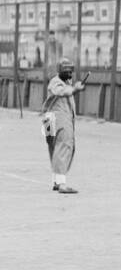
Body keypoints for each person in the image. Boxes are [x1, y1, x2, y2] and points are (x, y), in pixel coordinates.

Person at [42, 59, 85, 194]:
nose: (69, 73)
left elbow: (68, 90)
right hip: (57, 118)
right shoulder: (55, 82)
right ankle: (61, 184)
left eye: (70, 71)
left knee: (55, 150)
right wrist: (75, 89)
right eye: (66, 71)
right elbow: (62, 92)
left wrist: (75, 88)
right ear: (60, 71)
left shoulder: (66, 84)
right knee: (64, 146)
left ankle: (56, 181)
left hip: (48, 119)